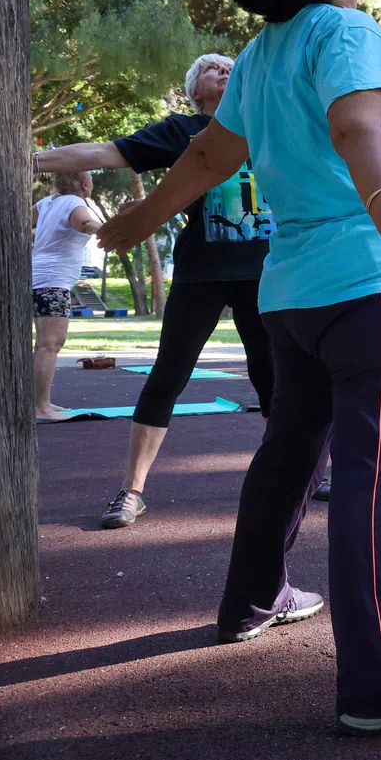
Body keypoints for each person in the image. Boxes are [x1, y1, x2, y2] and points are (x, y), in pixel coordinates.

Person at [98, 0, 381, 735]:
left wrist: (138, 220)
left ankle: (253, 600)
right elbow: (356, 129)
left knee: (290, 456)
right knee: (367, 476)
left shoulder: (263, 54)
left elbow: (208, 156)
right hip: (368, 287)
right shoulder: (344, 31)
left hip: (293, 300)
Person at [34, 53, 278, 529]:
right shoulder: (182, 131)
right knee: (167, 376)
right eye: (212, 69)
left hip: (265, 273)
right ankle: (132, 491)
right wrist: (30, 159)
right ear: (196, 91)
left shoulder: (269, 121)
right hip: (200, 275)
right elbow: (103, 152)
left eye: (230, 66)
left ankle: (309, 473)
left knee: (272, 376)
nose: (225, 70)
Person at [31, 172, 102, 421]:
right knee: (50, 344)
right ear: (85, 184)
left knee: (43, 344)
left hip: (35, 278)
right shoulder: (75, 203)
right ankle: (41, 407)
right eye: (91, 180)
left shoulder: (47, 202)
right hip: (53, 282)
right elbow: (84, 224)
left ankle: (42, 402)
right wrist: (107, 230)